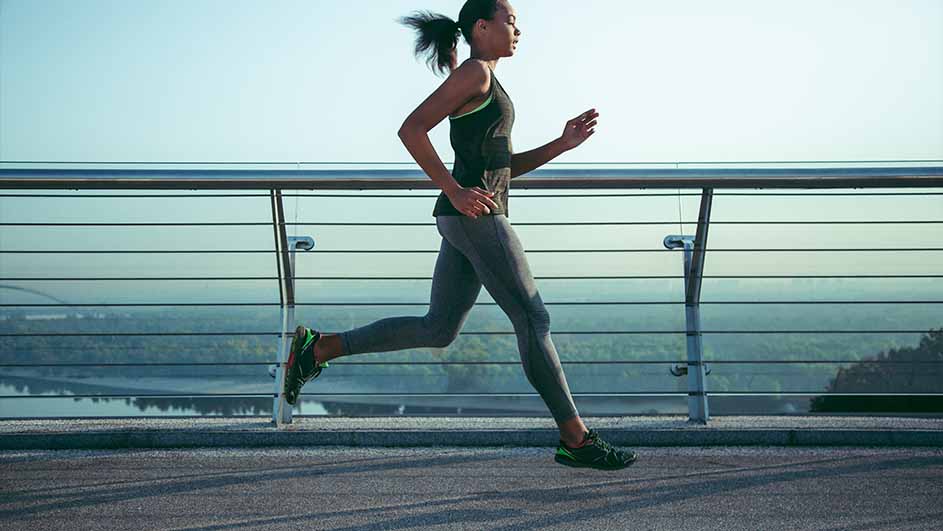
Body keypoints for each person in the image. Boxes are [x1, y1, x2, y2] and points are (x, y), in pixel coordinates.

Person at [283, 0, 638, 471]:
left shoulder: (484, 77)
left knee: (439, 328)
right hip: (474, 217)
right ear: (482, 27)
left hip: (466, 217)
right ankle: (576, 439)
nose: (519, 29)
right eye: (510, 21)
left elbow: (502, 169)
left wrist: (561, 143)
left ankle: (320, 347)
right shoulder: (475, 73)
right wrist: (454, 191)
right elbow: (411, 129)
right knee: (533, 320)